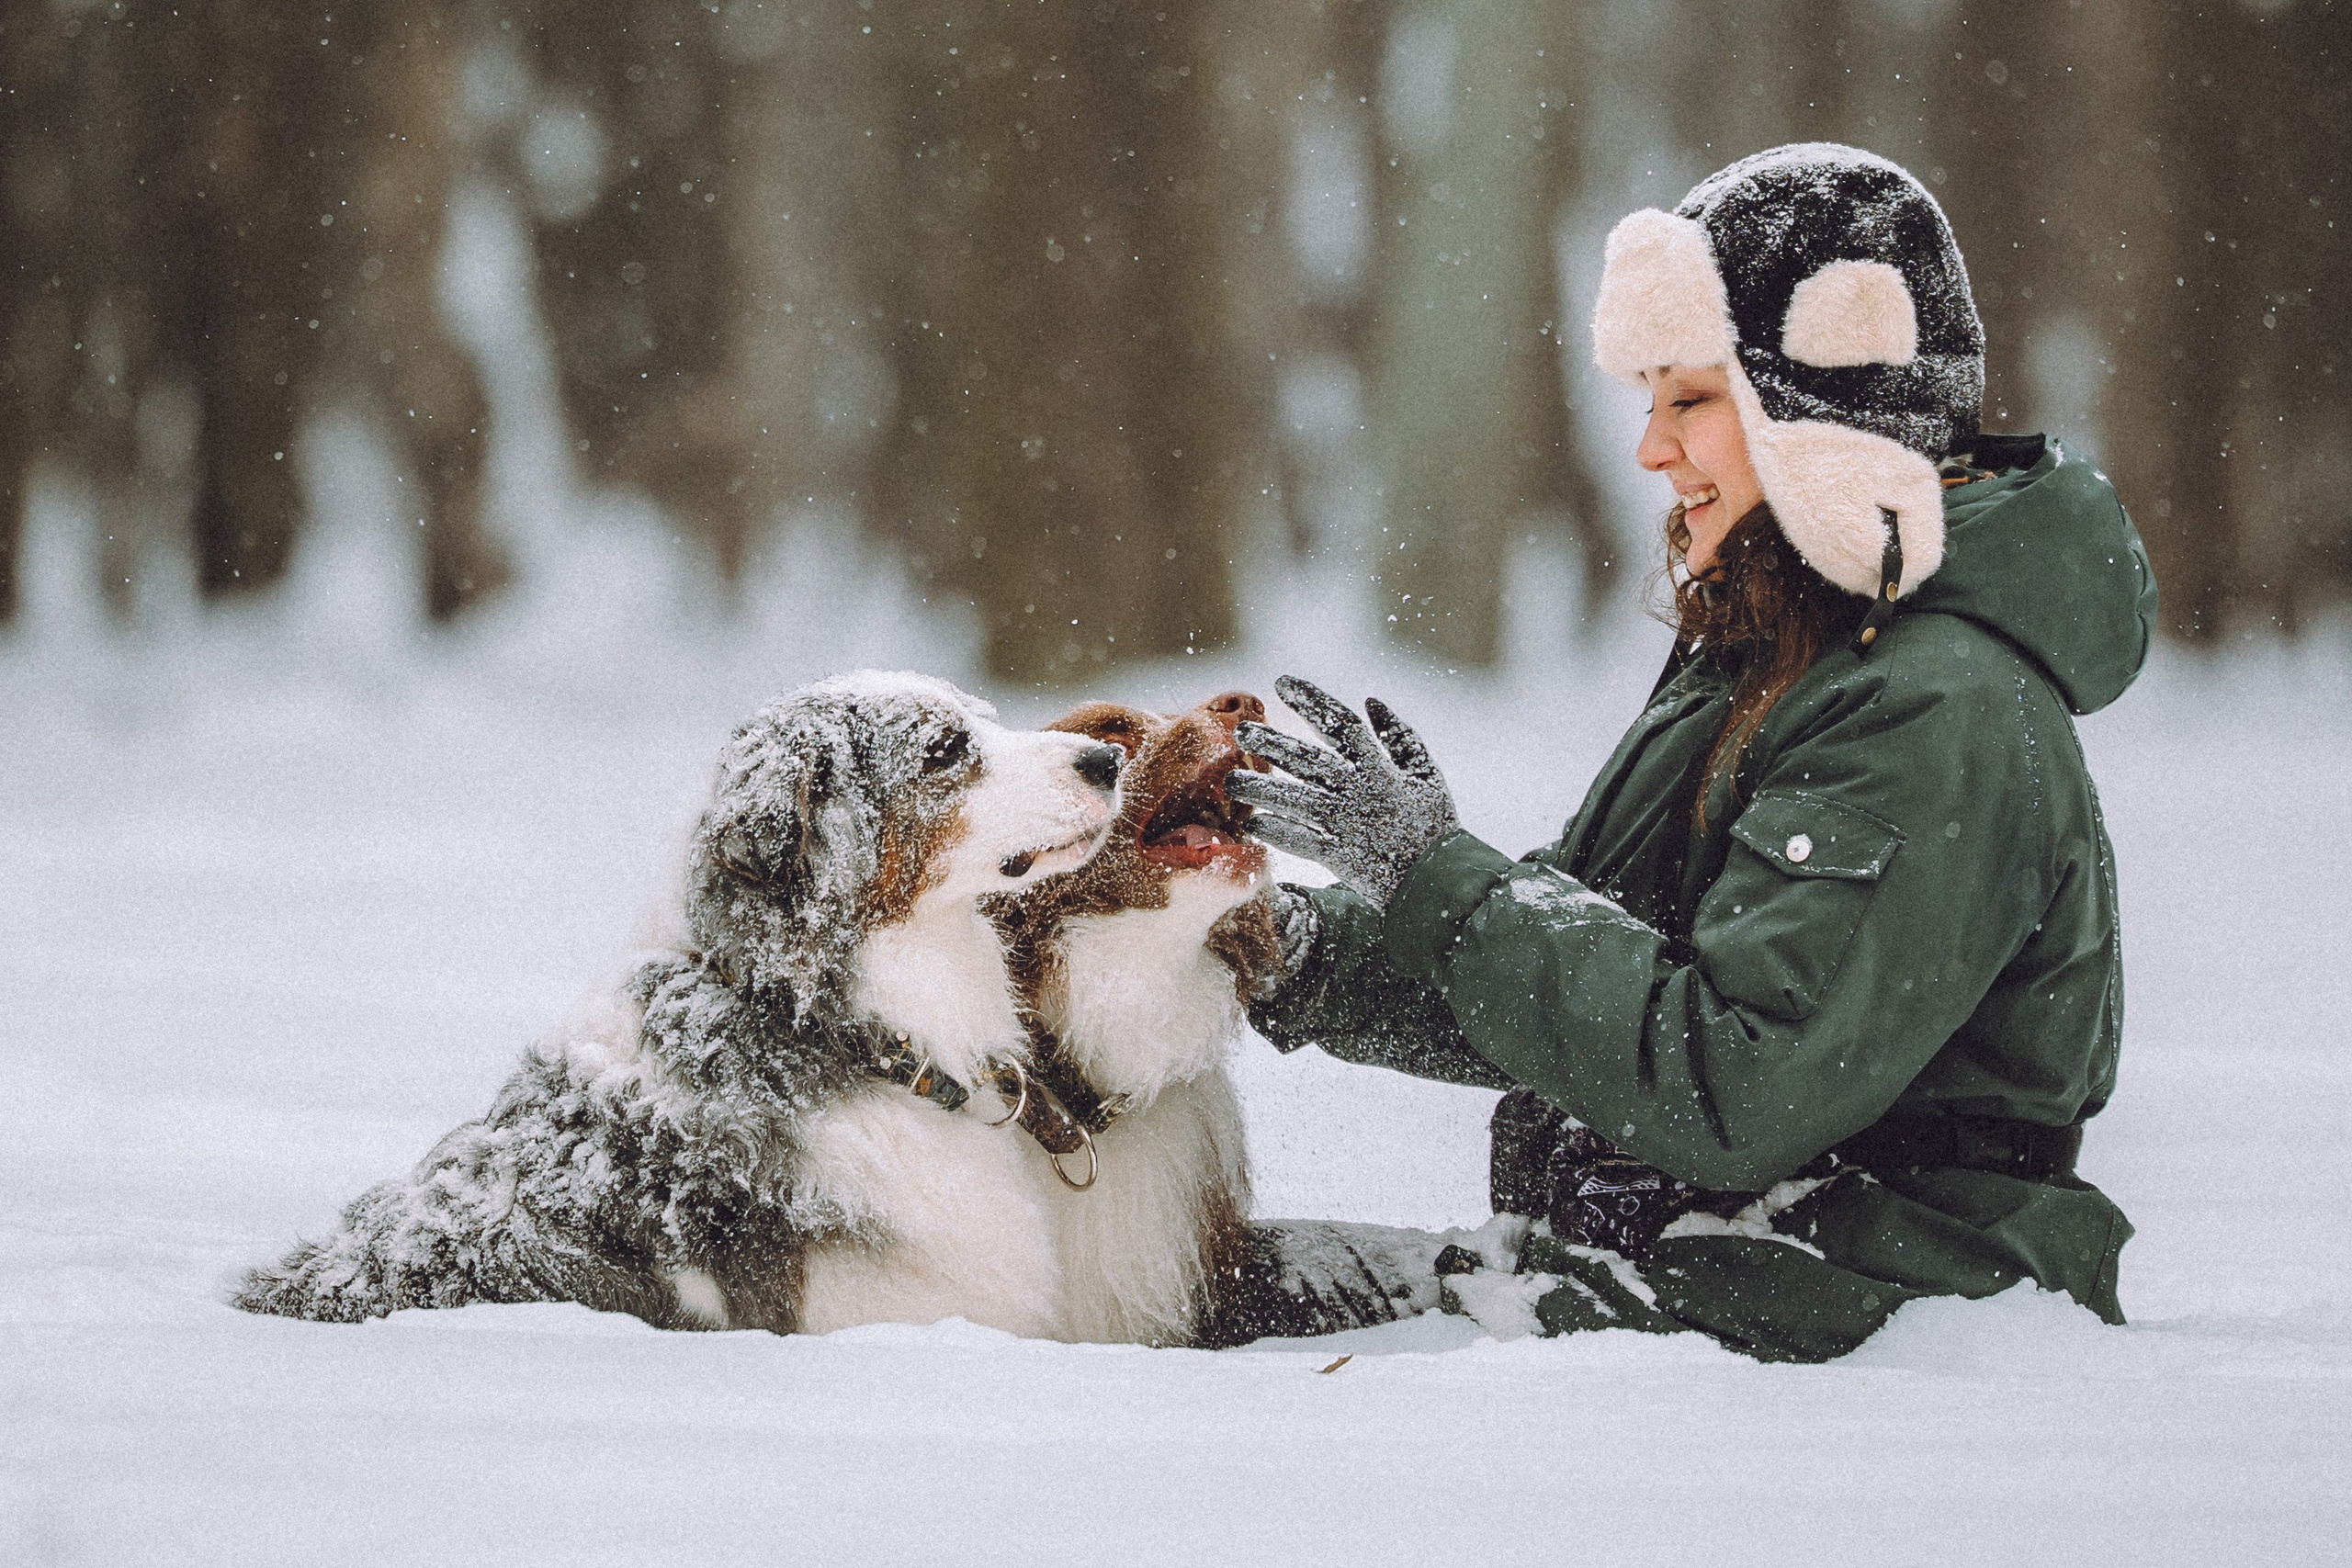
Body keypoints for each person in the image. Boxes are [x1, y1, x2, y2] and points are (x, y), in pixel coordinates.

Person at [1222, 144, 2158, 1363]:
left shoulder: (1935, 706)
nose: (1650, 451)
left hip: (1882, 1331)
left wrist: (1440, 880)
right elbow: (1580, 963)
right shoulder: (1787, 653)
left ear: (1831, 415)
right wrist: (1281, 951)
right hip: (1712, 1282)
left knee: (1239, 1341)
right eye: (1649, 402)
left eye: (1693, 400)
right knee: (1213, 1292)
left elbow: (1730, 1090)